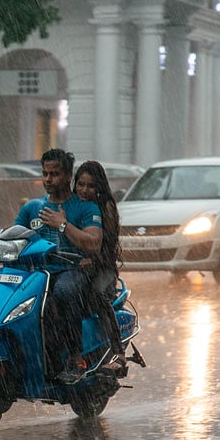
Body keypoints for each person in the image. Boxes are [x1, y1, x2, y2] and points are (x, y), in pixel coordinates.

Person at [12, 148, 104, 380]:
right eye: (44, 174)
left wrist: (62, 224)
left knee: (63, 291)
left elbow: (93, 243)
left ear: (68, 176)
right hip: (37, 274)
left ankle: (76, 358)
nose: (48, 180)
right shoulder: (32, 208)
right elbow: (12, 235)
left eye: (54, 174)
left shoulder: (85, 207)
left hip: (72, 271)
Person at [72, 160, 125, 375]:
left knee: (95, 296)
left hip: (103, 269)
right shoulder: (71, 205)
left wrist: (93, 260)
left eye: (90, 186)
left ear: (99, 187)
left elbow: (109, 246)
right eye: (81, 184)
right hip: (75, 268)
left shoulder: (106, 208)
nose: (84, 190)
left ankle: (118, 352)